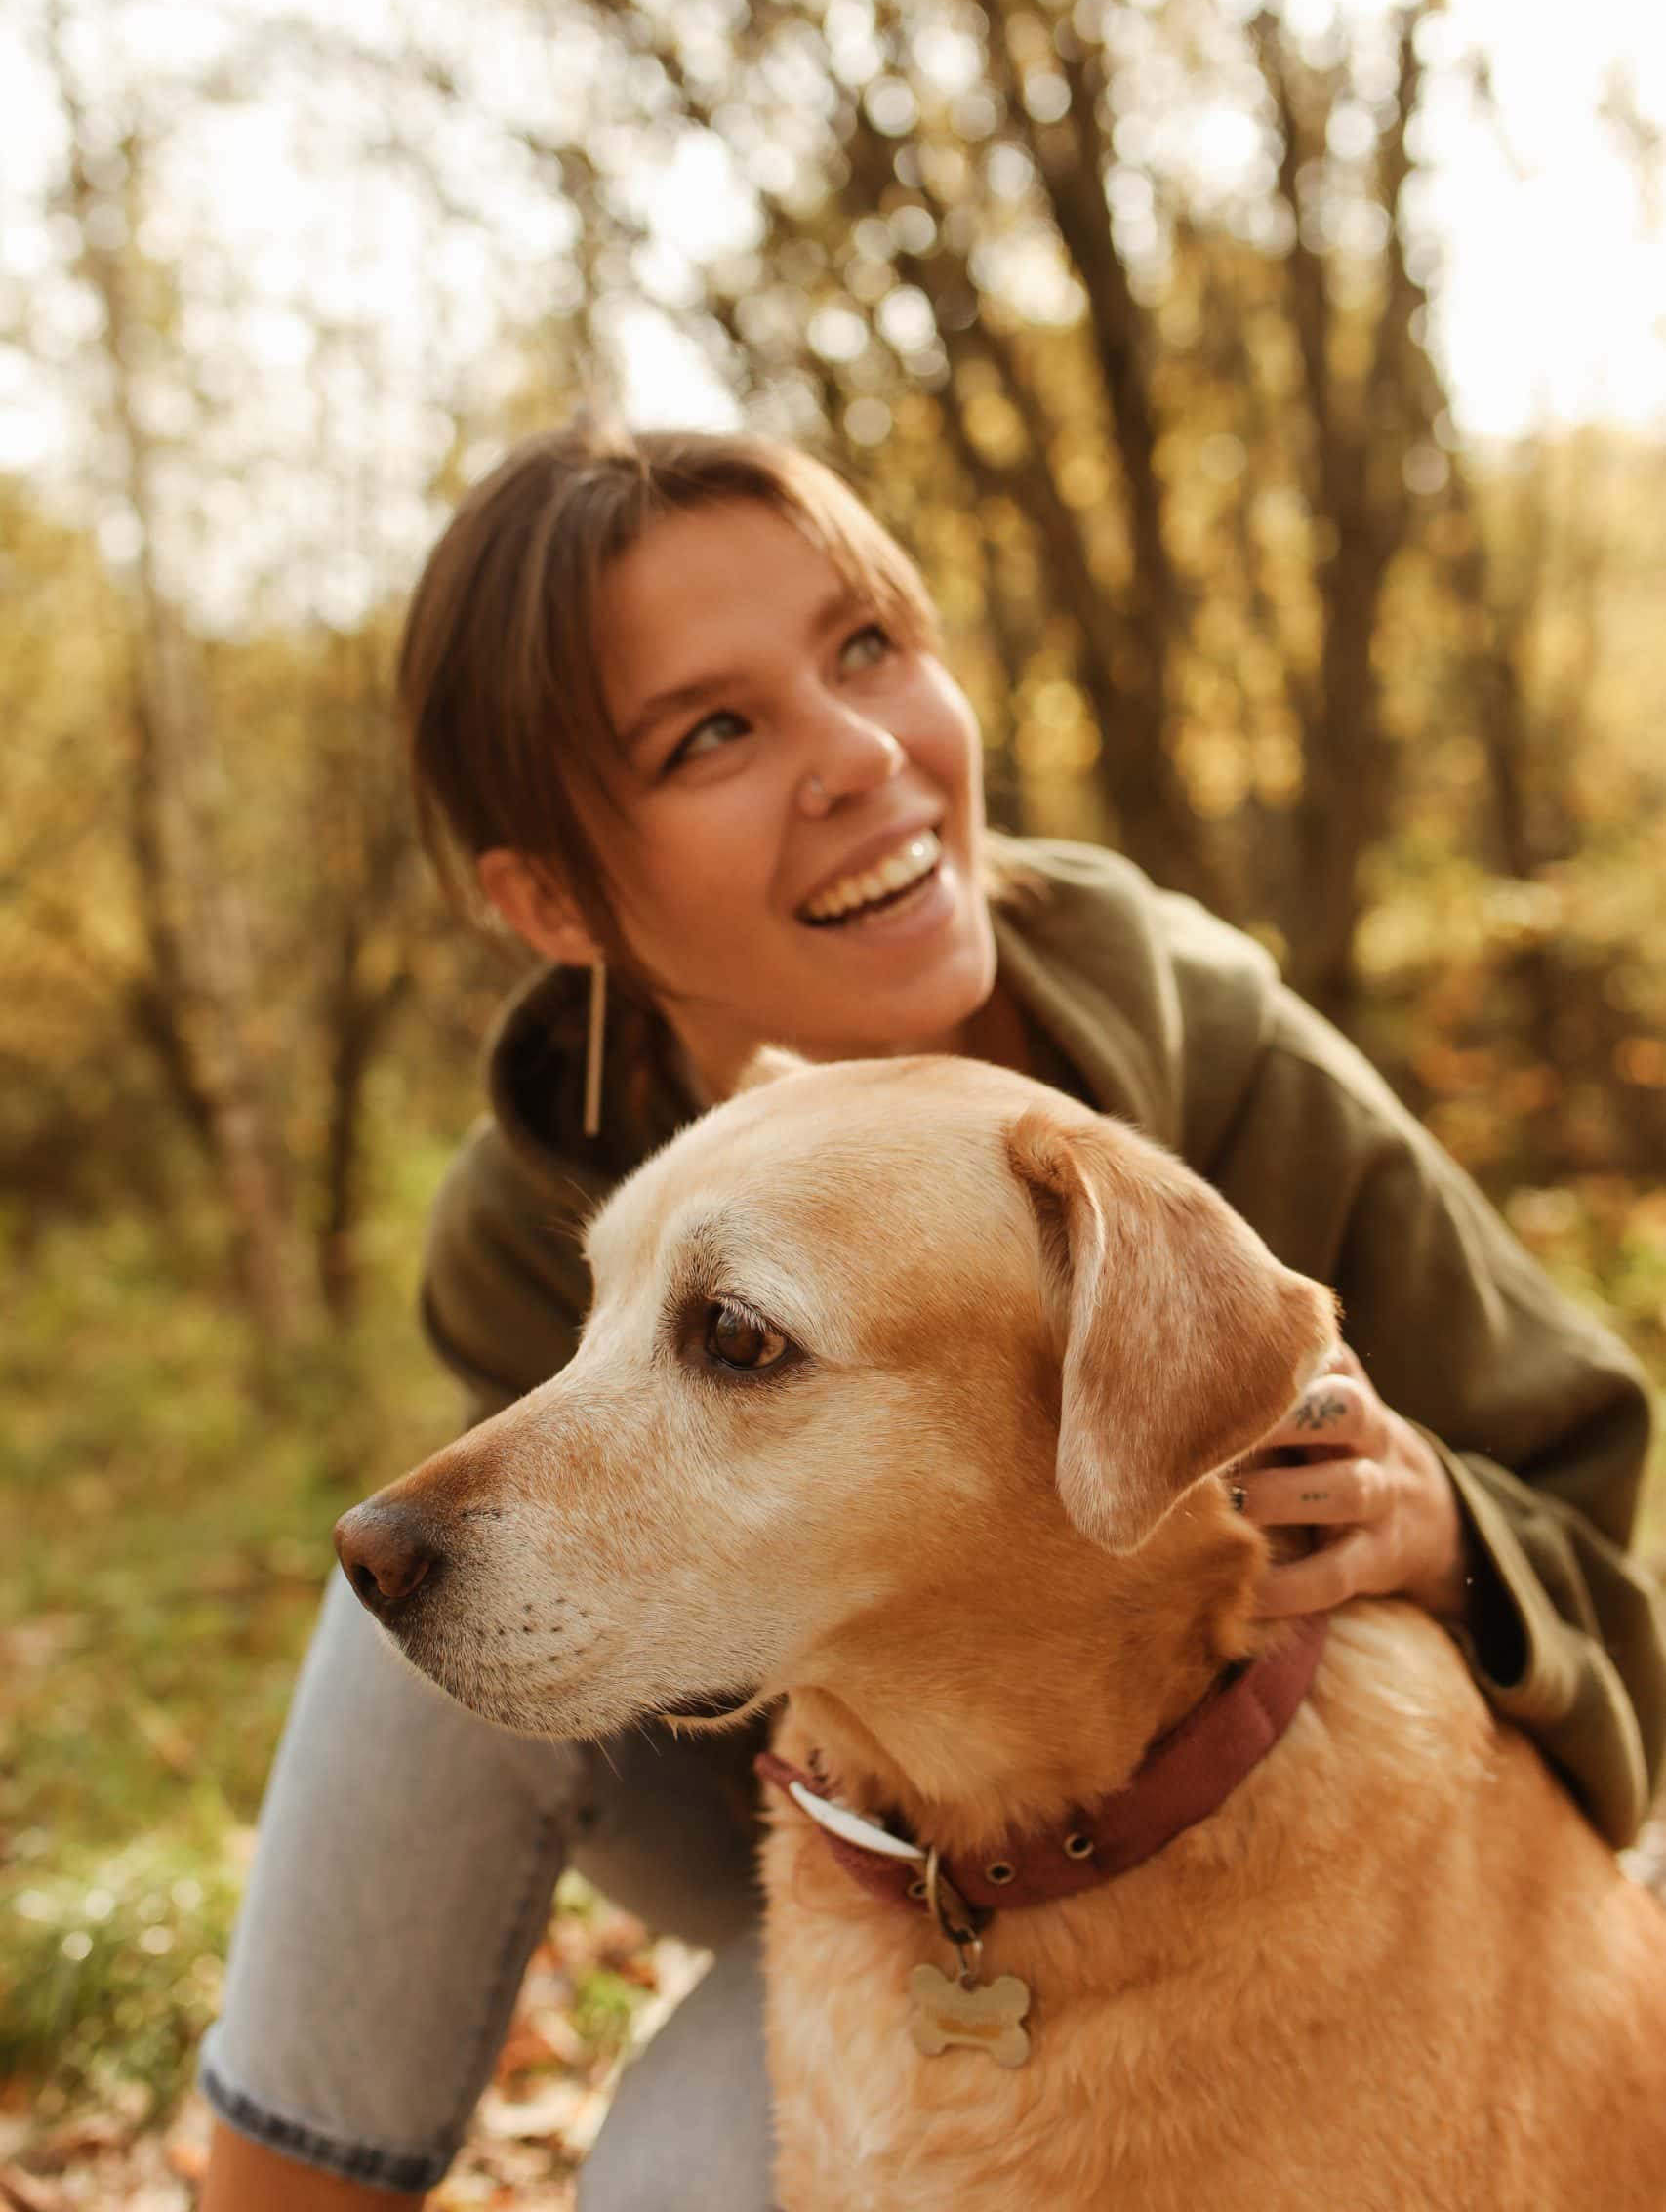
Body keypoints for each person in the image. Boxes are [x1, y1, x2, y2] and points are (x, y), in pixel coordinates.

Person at [197, 422, 1666, 2211]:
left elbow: (1586, 1506)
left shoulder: (1201, 1042)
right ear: (553, 902)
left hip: (1200, 1748)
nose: (862, 753)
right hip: (797, 1777)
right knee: (422, 1584)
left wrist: (1440, 1526)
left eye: (869, 647)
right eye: (714, 732)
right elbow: (586, 1603)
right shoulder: (530, 1201)